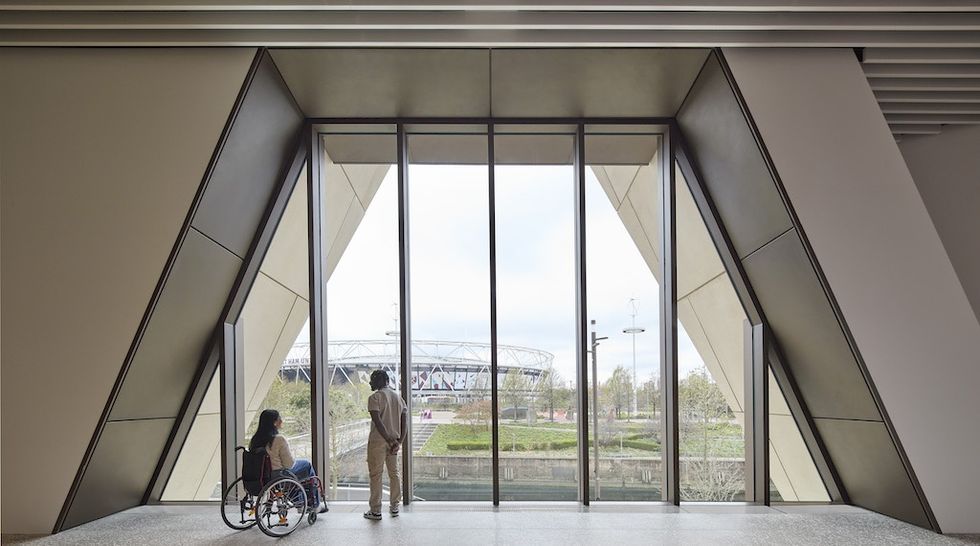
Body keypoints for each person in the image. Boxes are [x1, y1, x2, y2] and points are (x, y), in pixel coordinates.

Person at [249, 408, 328, 514]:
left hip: (261, 475)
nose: (282, 421)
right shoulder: (278, 439)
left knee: (295, 473)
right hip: (277, 474)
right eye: (279, 418)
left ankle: (300, 501)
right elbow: (289, 464)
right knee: (307, 465)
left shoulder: (255, 440)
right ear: (274, 422)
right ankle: (314, 504)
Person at [363, 370, 407, 521]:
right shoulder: (398, 398)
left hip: (378, 442)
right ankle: (395, 506)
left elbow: (378, 421)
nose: (370, 383)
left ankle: (375, 510)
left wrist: (388, 439)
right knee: (394, 474)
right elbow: (404, 423)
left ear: (381, 380)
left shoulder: (374, 398)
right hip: (394, 443)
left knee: (376, 475)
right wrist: (398, 442)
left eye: (372, 380)